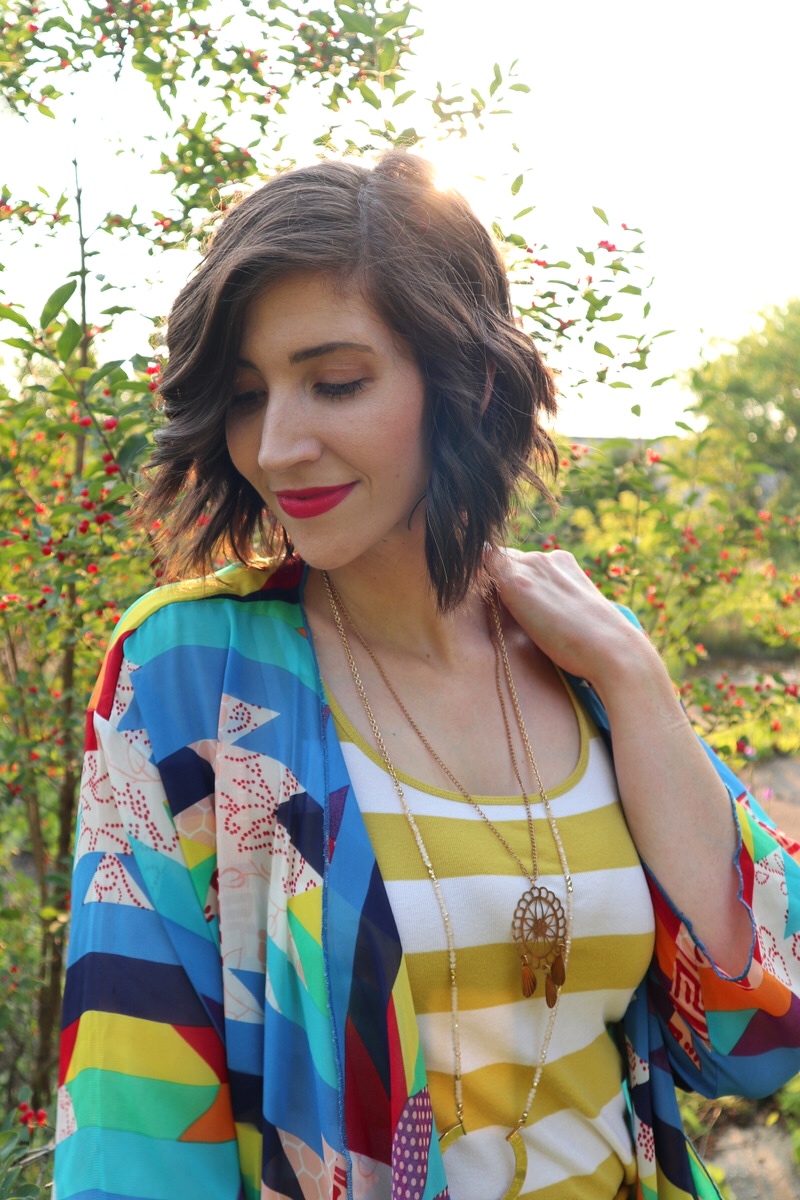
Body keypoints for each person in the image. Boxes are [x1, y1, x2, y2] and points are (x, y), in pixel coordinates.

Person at [54, 152, 800, 1200]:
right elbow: (135, 1120)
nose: (276, 445)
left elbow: (754, 1037)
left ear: (468, 380)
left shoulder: (581, 659)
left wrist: (636, 681)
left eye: (336, 382)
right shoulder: (189, 679)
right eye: (244, 396)